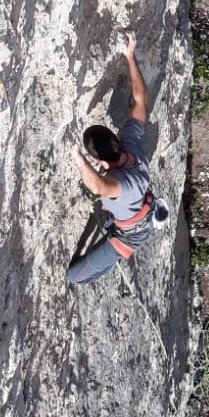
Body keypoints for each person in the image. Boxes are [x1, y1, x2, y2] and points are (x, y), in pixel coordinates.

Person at [68, 31, 155, 285]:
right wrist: (130, 55)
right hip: (139, 214)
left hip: (127, 237)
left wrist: (77, 158)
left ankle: (110, 258)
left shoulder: (118, 184)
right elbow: (140, 98)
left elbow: (97, 185)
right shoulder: (131, 143)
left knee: (75, 276)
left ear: (102, 164)